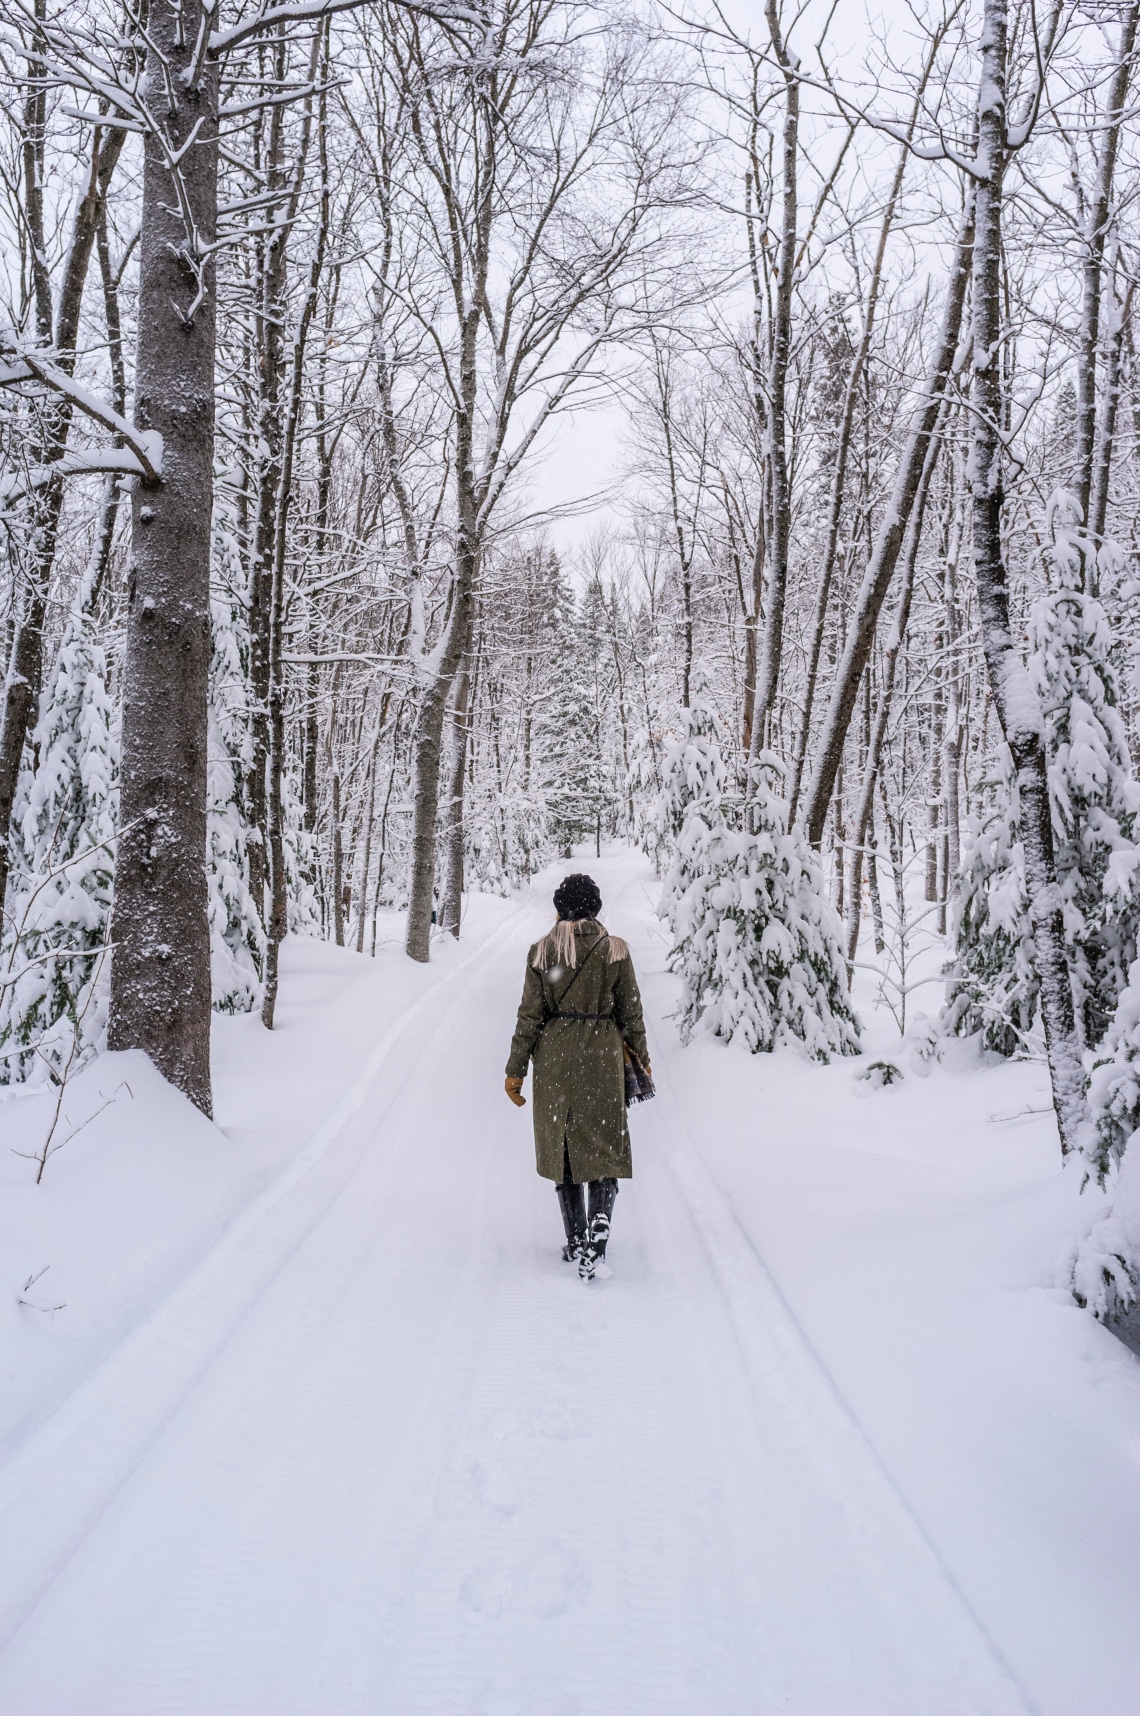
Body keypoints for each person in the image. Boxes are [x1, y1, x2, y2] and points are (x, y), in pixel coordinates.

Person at [505, 873, 650, 1280]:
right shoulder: (614, 950)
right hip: (602, 1056)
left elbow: (529, 1017)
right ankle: (600, 1227)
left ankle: (576, 1238)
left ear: (559, 908)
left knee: (565, 1148)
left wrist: (515, 1071)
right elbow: (631, 1013)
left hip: (555, 1060)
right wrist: (642, 1057)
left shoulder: (541, 952)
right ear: (596, 908)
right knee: (602, 1145)